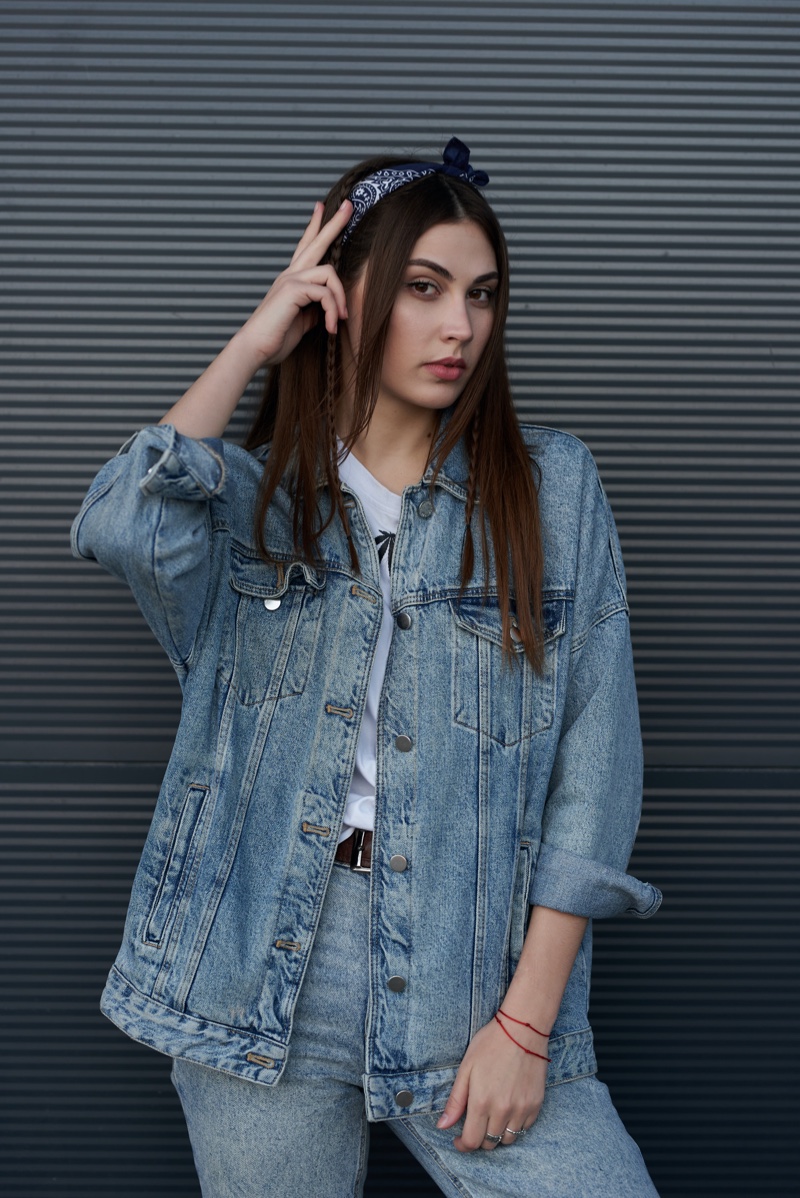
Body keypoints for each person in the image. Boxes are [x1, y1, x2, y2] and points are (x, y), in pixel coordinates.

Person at [71, 137, 663, 1197]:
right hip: (254, 959)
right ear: (345, 299)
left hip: (470, 961)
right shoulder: (250, 506)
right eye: (424, 289)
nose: (459, 327)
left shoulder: (551, 492)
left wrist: (525, 1024)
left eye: (481, 295)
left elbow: (594, 764)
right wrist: (257, 339)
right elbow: (119, 525)